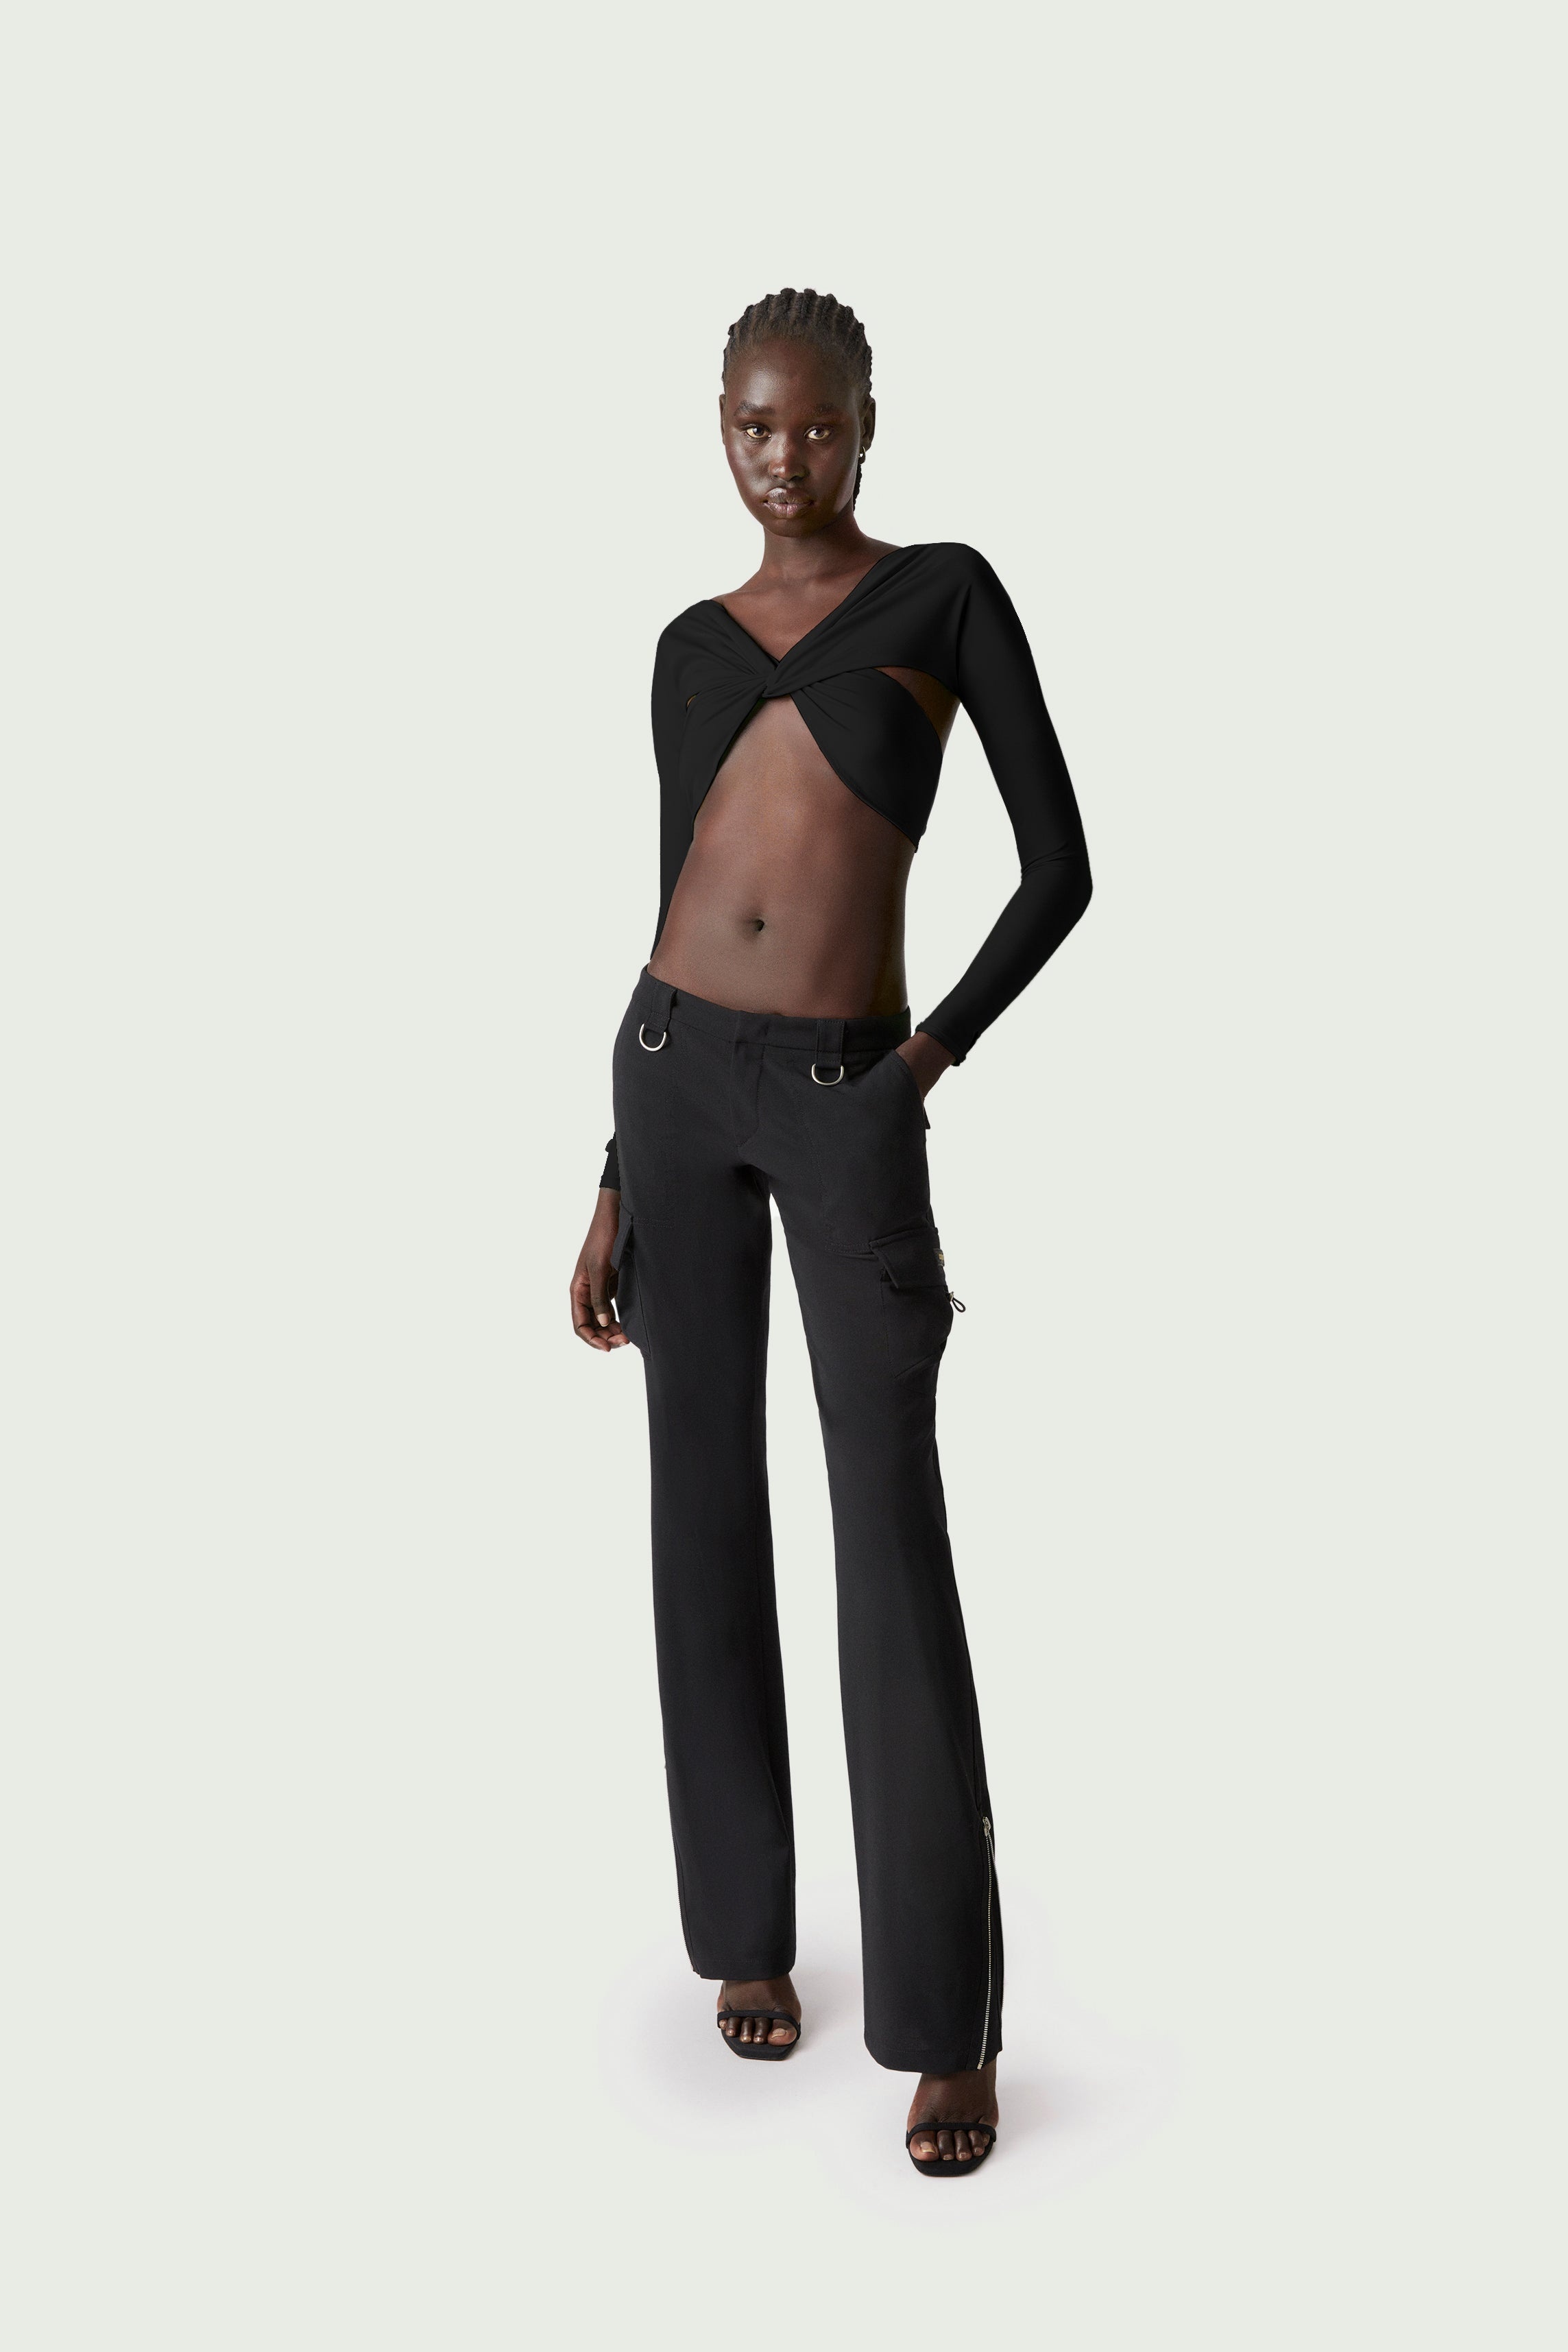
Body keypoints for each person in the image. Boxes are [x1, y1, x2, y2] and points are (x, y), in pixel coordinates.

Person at [570, 289, 1091, 2175]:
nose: (782, 457)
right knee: (700, 1508)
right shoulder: (684, 648)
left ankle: (946, 2029)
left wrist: (918, 1063)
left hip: (843, 1093)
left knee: (889, 1527)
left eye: (816, 425)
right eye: (753, 424)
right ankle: (745, 1935)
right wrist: (610, 1174)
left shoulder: (942, 598)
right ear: (718, 423)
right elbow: (671, 894)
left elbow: (1063, 867)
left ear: (868, 424)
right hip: (669, 1079)